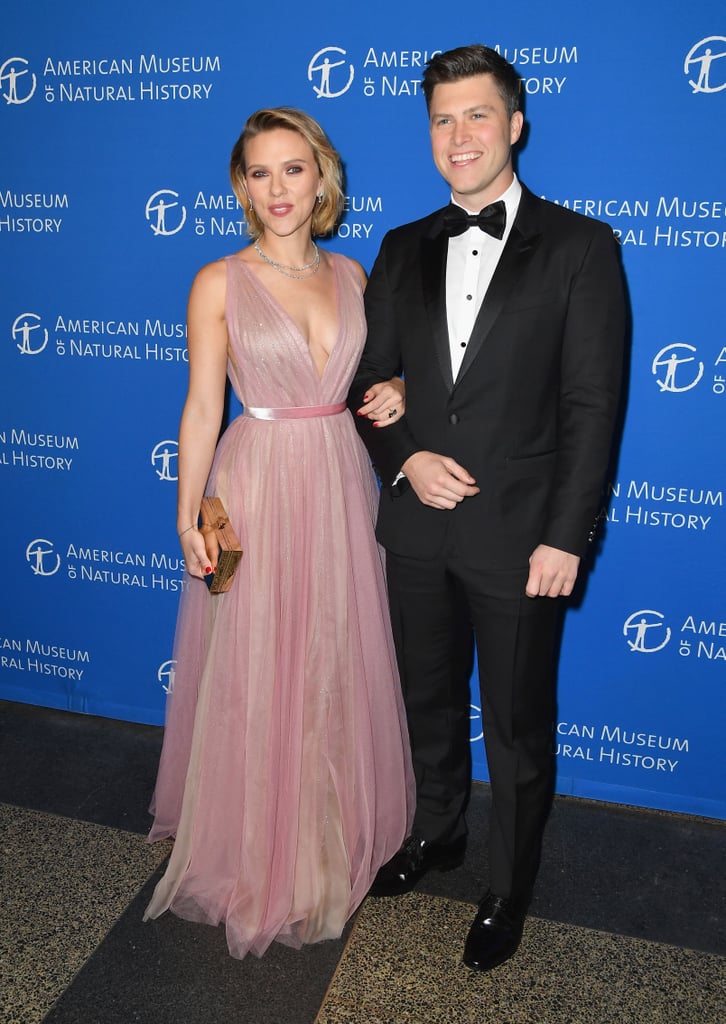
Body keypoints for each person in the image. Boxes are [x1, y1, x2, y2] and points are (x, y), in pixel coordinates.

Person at [349, 44, 625, 971]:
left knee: (515, 721)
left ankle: (508, 884)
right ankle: (439, 834)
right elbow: (368, 380)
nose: (458, 136)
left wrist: (566, 538)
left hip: (521, 538)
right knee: (428, 701)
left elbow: (594, 406)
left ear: (514, 124)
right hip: (417, 527)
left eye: (476, 116)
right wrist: (406, 456)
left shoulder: (583, 246)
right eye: (441, 119)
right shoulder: (400, 245)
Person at [144, 107, 414, 960]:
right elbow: (200, 406)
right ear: (241, 187)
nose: (277, 189)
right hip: (251, 486)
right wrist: (189, 513)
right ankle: (255, 851)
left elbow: (379, 382)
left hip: (337, 478)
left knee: (330, 658)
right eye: (259, 174)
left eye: (293, 169)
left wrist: (397, 392)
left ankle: (323, 843)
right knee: (256, 664)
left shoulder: (356, 276)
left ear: (322, 177)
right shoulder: (218, 280)